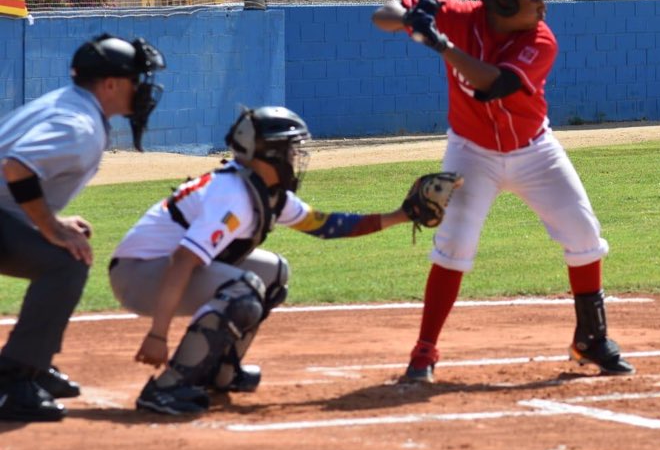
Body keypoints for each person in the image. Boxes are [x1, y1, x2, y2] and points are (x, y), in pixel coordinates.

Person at [371, 0, 634, 384]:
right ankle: (424, 351)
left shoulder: (541, 39)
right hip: (471, 152)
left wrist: (439, 43)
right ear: (505, 4)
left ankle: (591, 338)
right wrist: (409, 15)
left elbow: (491, 84)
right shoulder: (459, 17)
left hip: (534, 151)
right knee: (453, 245)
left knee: (584, 234)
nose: (543, 6)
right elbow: (382, 13)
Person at [109, 106, 418, 415]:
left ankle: (220, 372)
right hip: (138, 275)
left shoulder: (262, 190)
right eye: (290, 148)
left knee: (274, 271)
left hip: (162, 270)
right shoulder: (232, 195)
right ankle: (167, 387)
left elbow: (326, 226)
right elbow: (182, 261)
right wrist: (157, 335)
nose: (295, 156)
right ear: (268, 153)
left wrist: (402, 215)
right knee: (244, 288)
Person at [0, 33, 166, 422]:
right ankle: (11, 381)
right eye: (135, 80)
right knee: (65, 261)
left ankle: (31, 364)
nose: (142, 89)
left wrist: (47, 221)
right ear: (110, 84)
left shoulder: (69, 106)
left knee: (63, 255)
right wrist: (50, 228)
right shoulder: (80, 124)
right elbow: (17, 168)